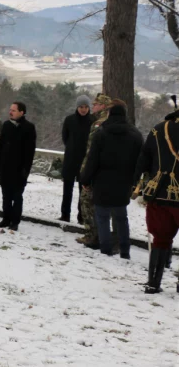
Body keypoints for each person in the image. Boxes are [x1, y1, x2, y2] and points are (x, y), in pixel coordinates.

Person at [79, 102, 142, 258]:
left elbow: (92, 159)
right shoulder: (135, 135)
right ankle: (125, 250)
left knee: (102, 217)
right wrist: (135, 181)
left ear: (109, 114)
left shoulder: (101, 133)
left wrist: (86, 180)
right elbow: (140, 160)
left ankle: (105, 249)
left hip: (102, 182)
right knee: (121, 218)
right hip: (124, 182)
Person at [133, 101, 179, 293]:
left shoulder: (159, 129)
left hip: (159, 193)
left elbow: (144, 159)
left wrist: (136, 186)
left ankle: (153, 283)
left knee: (160, 239)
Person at [77, 94, 114, 248]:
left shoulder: (98, 124)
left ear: (103, 106)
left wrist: (85, 174)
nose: (93, 107)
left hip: (95, 172)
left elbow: (91, 153)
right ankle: (101, 236)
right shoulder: (111, 122)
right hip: (107, 173)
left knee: (87, 204)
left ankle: (91, 236)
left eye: (96, 104)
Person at [0, 101, 37, 230]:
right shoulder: (6, 125)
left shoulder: (29, 128)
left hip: (19, 169)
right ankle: (6, 219)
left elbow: (30, 151)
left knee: (17, 196)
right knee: (6, 195)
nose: (10, 112)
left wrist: (26, 169)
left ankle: (15, 222)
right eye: (10, 109)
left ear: (21, 112)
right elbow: (0, 146)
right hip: (6, 167)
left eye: (13, 110)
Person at [60, 95, 94, 222]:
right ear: (77, 107)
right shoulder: (69, 120)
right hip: (70, 159)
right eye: (81, 107)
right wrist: (71, 148)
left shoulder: (92, 121)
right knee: (67, 190)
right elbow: (65, 137)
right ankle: (65, 215)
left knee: (83, 192)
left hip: (85, 161)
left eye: (86, 107)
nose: (83, 109)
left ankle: (82, 216)